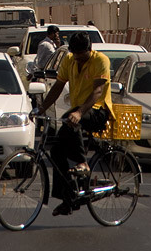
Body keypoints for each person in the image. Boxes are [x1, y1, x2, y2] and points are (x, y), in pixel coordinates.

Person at [37, 31, 113, 216]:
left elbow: (97, 91)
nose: (78, 59)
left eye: (82, 55)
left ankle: (82, 162)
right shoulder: (69, 60)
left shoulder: (100, 60)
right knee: (56, 151)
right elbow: (57, 87)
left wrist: (80, 112)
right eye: (76, 55)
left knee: (72, 117)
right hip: (78, 112)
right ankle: (68, 198)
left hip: (97, 111)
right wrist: (41, 108)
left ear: (90, 49)